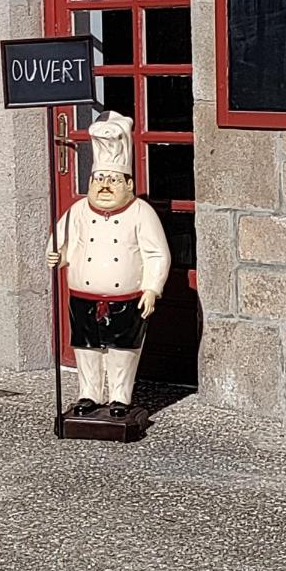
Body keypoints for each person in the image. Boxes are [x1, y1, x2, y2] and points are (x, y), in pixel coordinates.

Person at [46, 111, 171, 419]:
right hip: (82, 296)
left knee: (122, 350)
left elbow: (157, 254)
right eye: (99, 179)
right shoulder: (77, 211)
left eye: (113, 180)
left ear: (128, 183)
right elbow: (60, 243)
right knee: (86, 348)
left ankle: (119, 396)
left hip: (126, 298)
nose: (105, 185)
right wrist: (56, 256)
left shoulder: (141, 212)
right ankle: (88, 393)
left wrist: (152, 288)